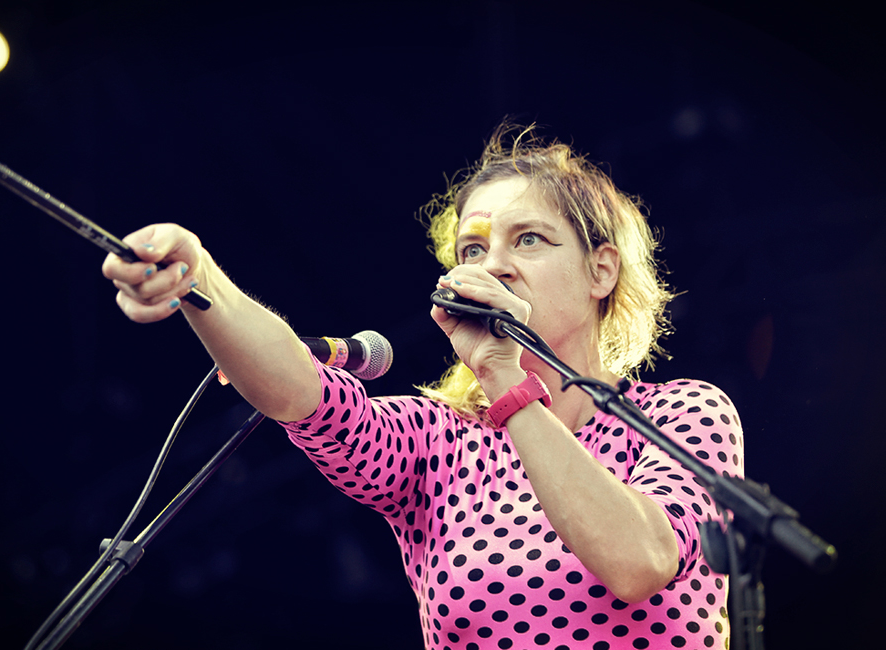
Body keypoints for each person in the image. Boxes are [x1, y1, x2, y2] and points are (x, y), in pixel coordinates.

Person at [102, 124, 744, 650]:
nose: (493, 265)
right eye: (472, 249)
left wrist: (504, 378)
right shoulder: (441, 440)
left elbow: (637, 562)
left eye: (528, 239)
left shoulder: (682, 412)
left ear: (600, 270)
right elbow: (303, 395)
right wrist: (199, 278)